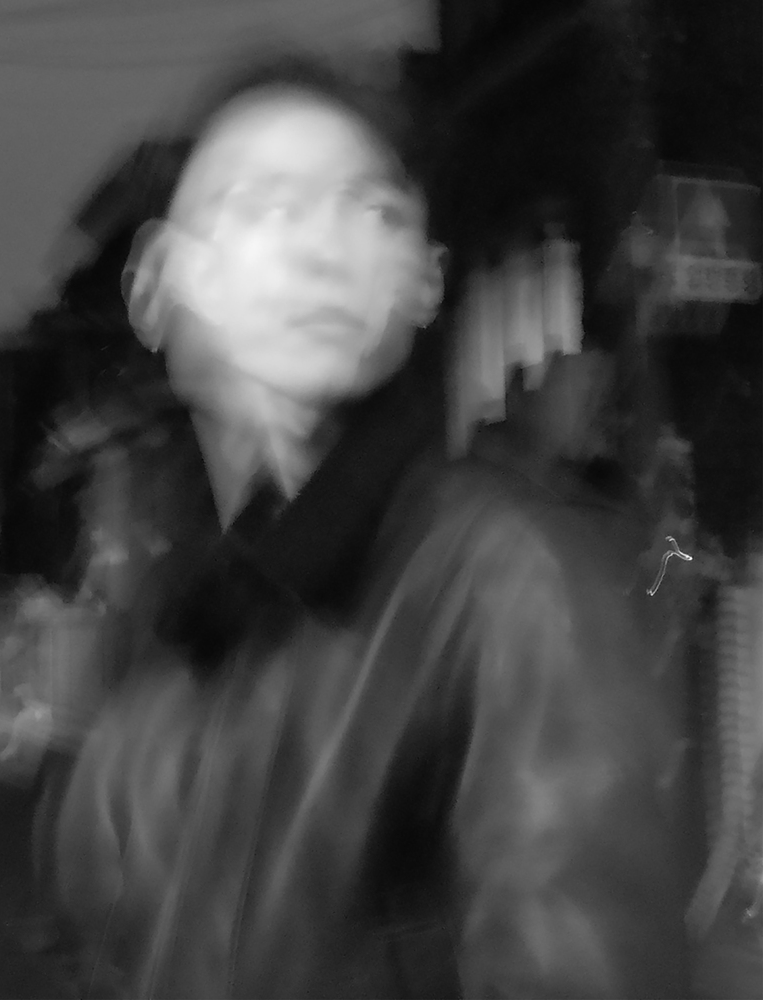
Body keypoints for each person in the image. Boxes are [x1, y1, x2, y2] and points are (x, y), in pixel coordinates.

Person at [43, 51, 694, 999]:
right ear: (158, 283)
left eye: (372, 211)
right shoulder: (183, 624)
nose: (322, 248)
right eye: (262, 205)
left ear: (421, 281)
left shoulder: (504, 579)